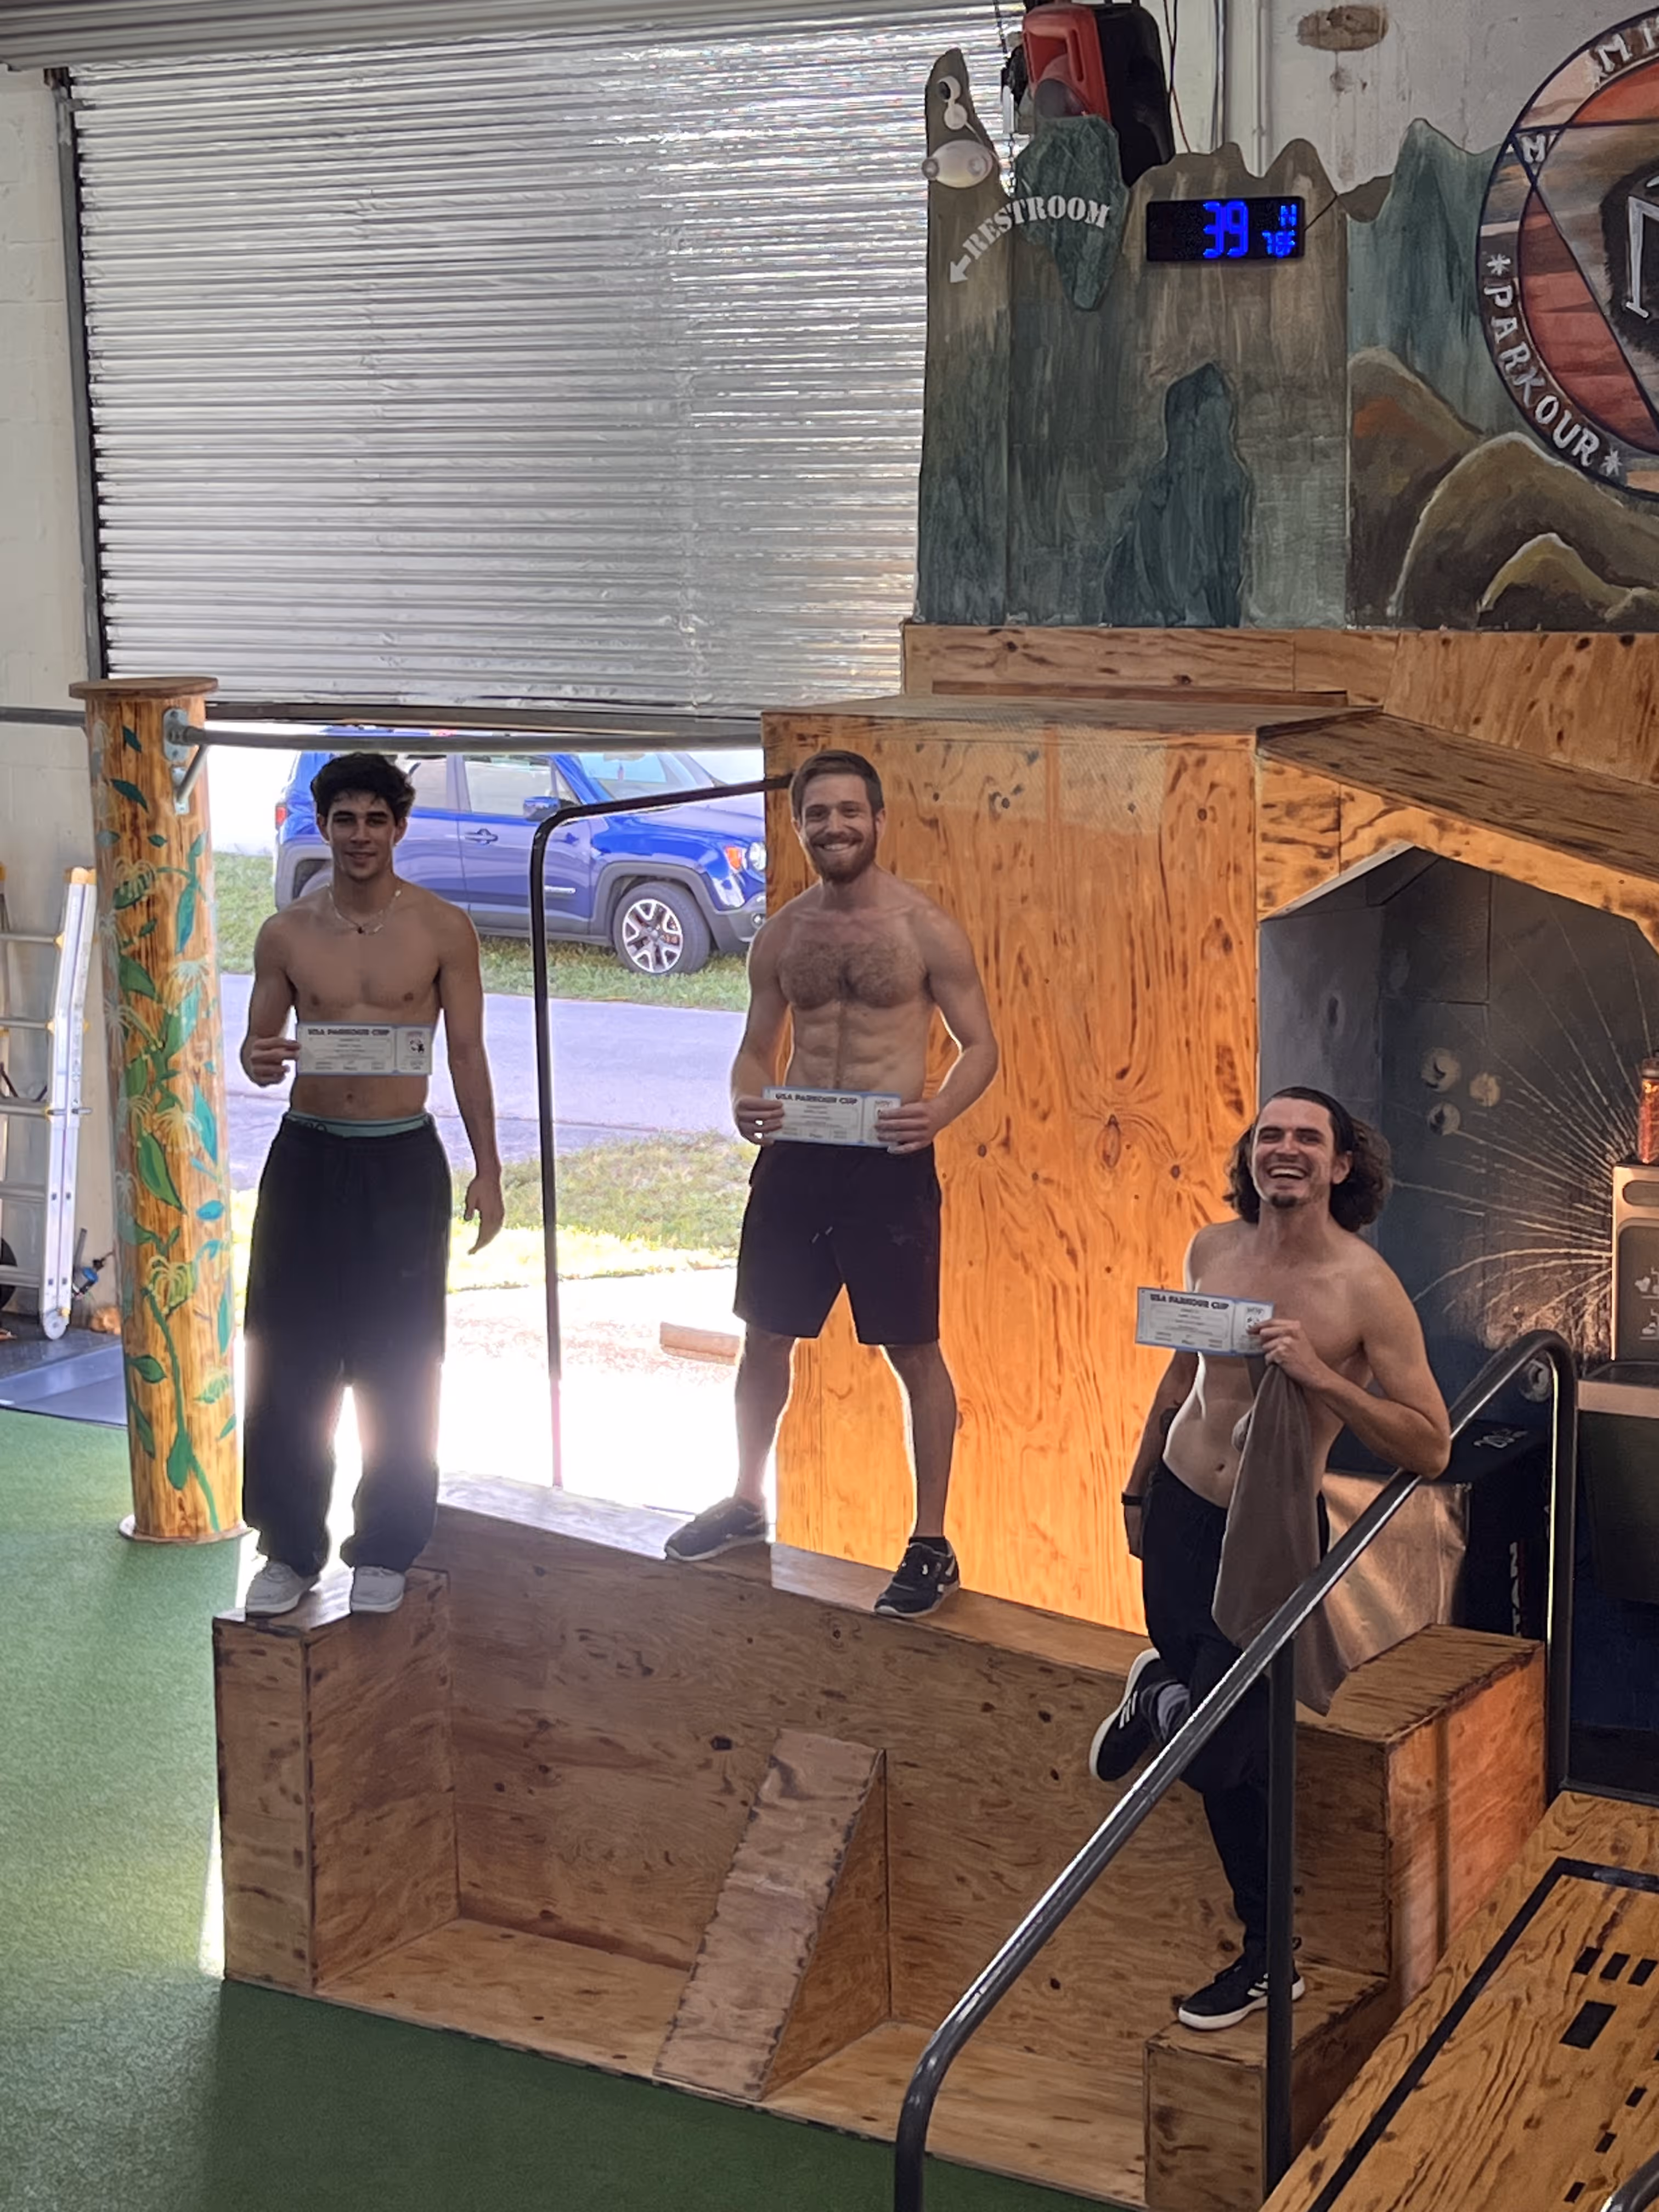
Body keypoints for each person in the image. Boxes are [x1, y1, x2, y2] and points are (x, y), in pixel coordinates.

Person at [1088, 1087, 1449, 2029]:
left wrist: (1322, 1376)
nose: (1284, 1150)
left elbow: (1431, 1445)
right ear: (1252, 1158)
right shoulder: (1211, 1250)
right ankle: (1266, 1953)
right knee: (1233, 1767)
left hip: (1268, 1540)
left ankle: (1161, 1699)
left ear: (1340, 1167)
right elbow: (1179, 1377)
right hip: (1179, 1511)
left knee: (1215, 1758)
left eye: (1308, 1139)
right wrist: (1136, 1487)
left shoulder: (1364, 1288)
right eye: (1269, 1136)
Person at [664, 747, 998, 1617]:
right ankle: (745, 1500)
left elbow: (982, 1047)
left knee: (912, 1348)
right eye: (819, 814)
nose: (835, 827)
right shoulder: (784, 933)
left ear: (879, 821)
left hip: (889, 1161)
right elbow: (755, 1044)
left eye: (851, 812)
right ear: (801, 823)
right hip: (797, 1158)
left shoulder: (926, 928)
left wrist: (938, 1113)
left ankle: (931, 1540)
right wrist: (746, 1094)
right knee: (765, 1336)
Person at [238, 753, 504, 1618]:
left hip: (400, 1158)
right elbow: (260, 1051)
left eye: (375, 820)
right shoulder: (286, 933)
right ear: (324, 826)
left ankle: (386, 1543)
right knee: (288, 1353)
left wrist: (489, 1169)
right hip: (310, 1155)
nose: (360, 836)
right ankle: (288, 1544)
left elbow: (466, 1052)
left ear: (399, 827)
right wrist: (257, 1059)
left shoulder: (441, 928)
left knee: (400, 1356)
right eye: (344, 819)